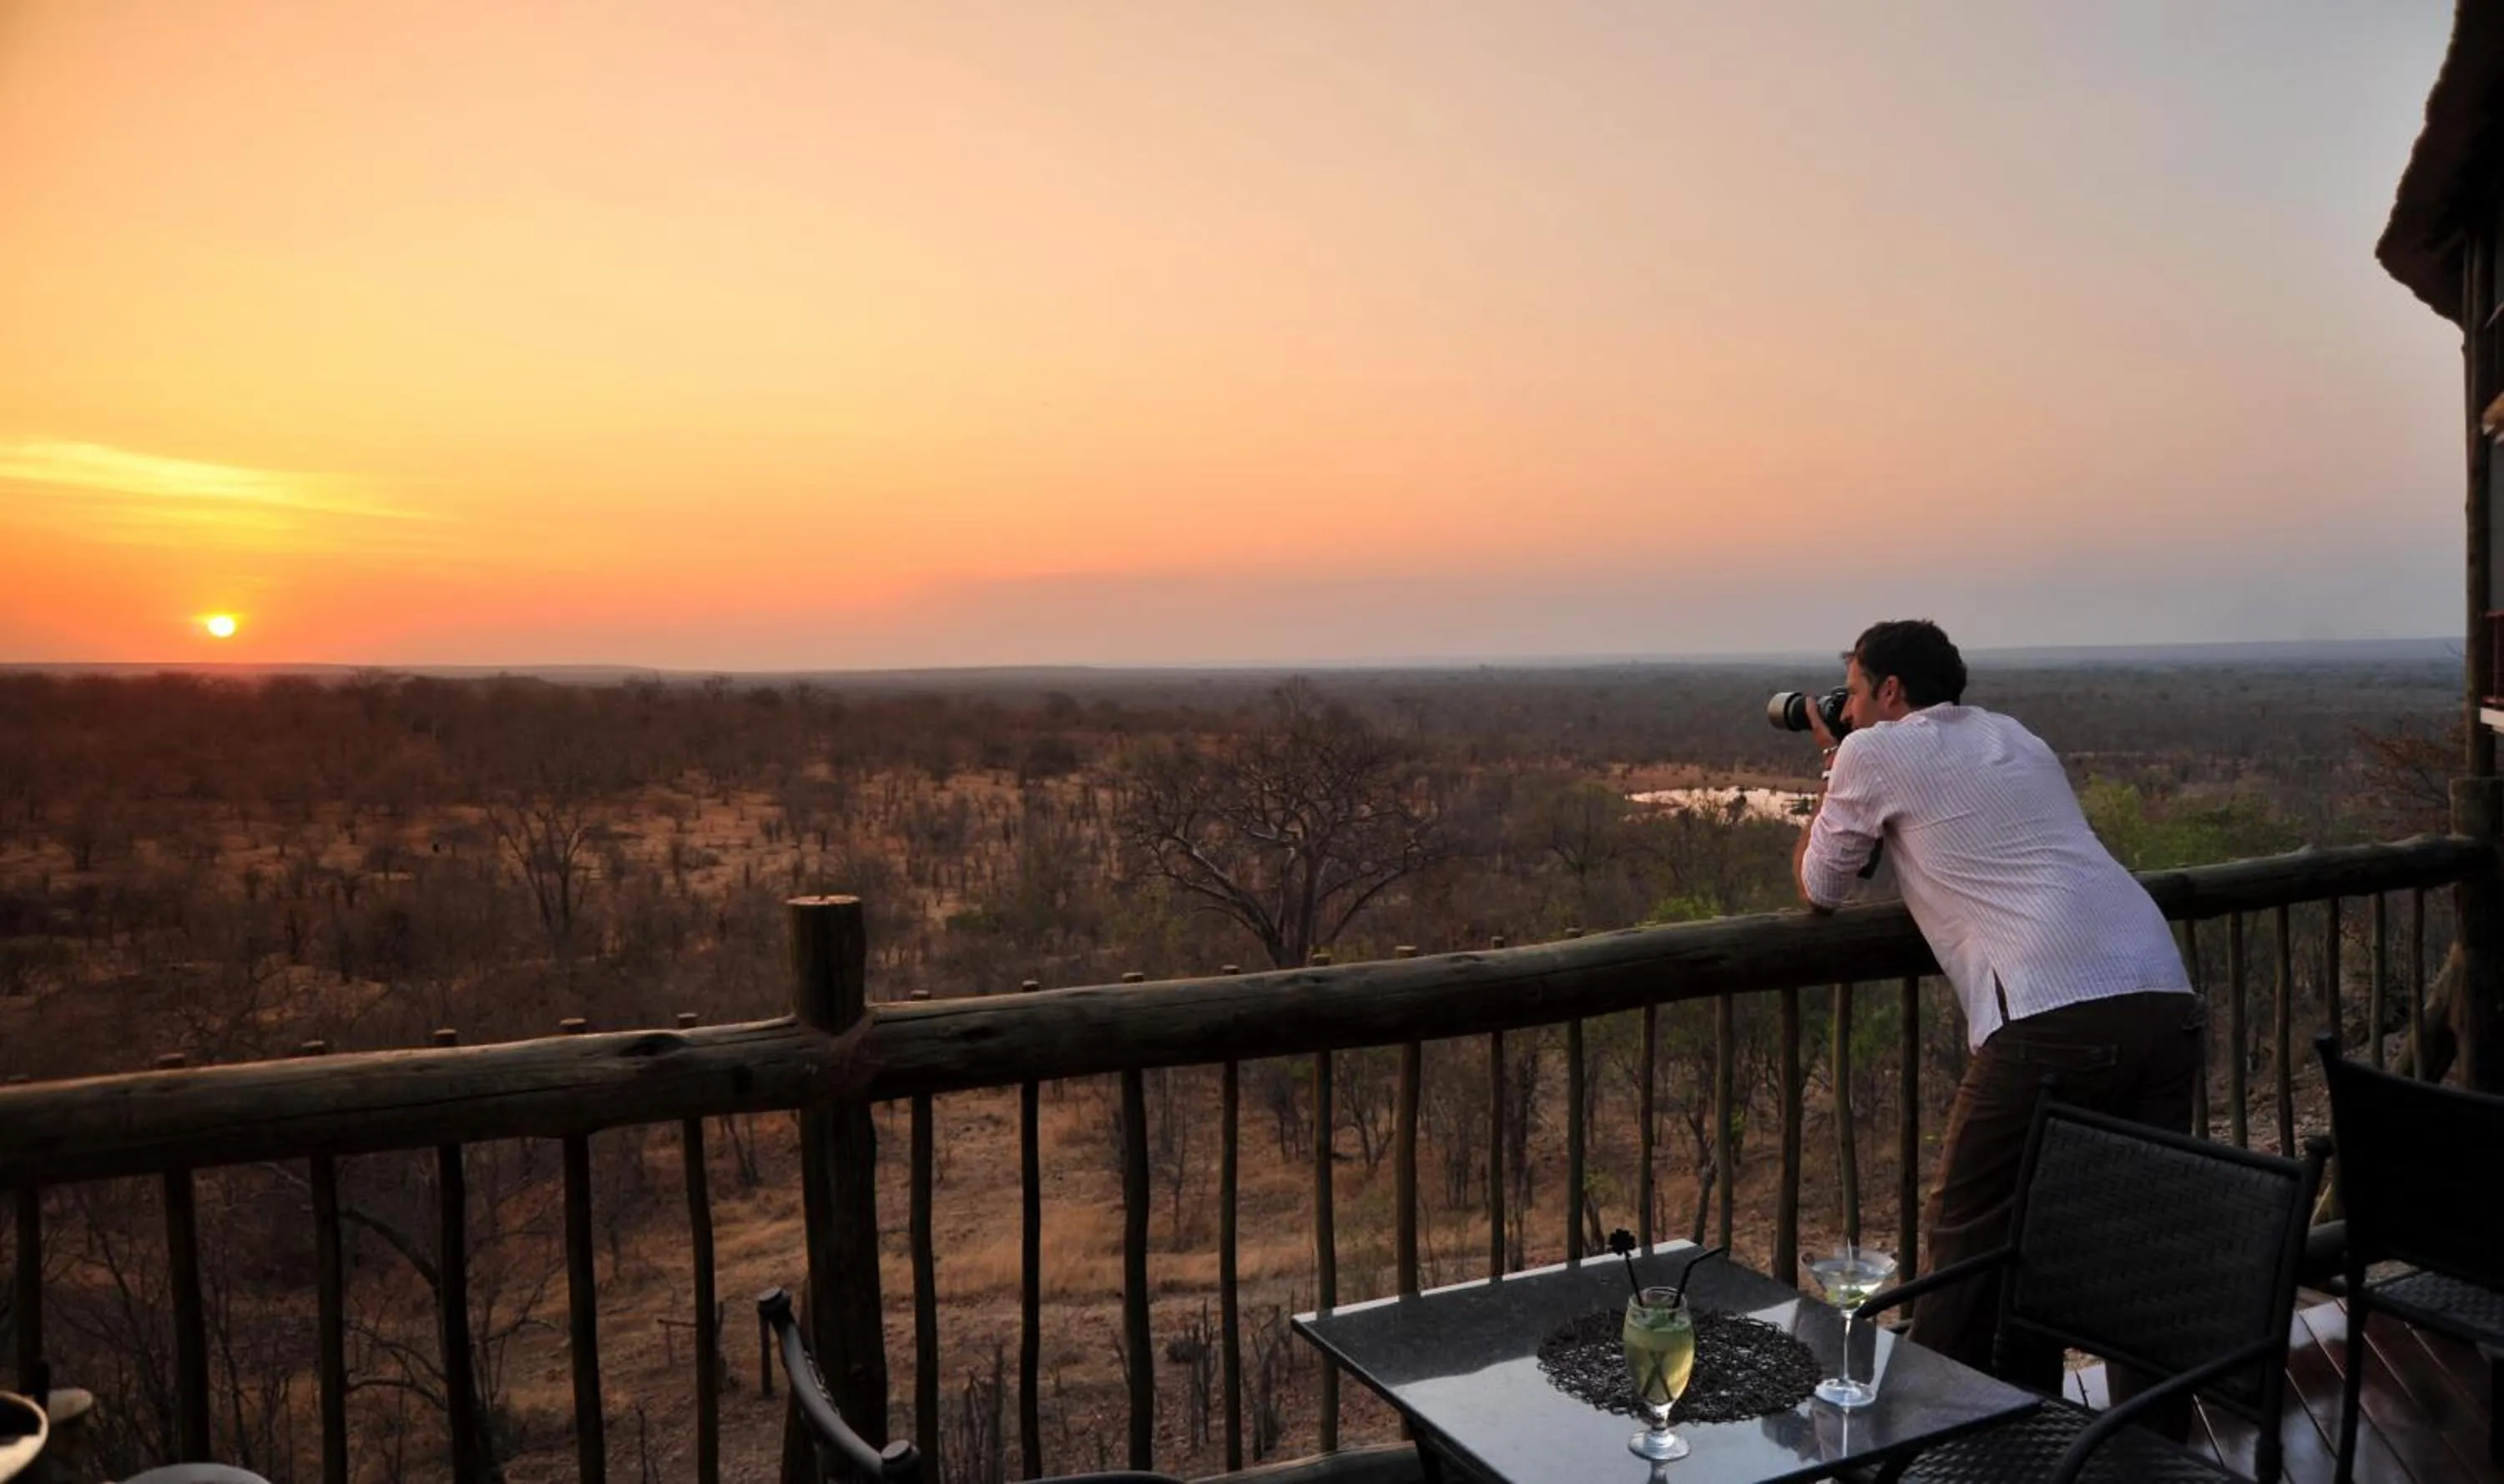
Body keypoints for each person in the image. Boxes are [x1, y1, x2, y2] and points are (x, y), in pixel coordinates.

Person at [1790, 618, 2202, 1410]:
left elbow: (1823, 885)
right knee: (2139, 1240)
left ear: (1889, 691)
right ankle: (2143, 1446)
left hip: (2053, 1011)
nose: (1843, 706)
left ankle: (1939, 1445)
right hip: (2162, 992)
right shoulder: (2012, 735)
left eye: (1850, 689)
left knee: (1969, 1243)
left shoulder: (1874, 749)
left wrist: (1831, 758)